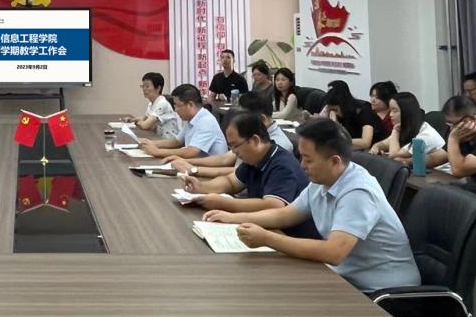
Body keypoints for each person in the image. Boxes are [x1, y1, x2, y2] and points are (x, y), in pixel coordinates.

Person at [203, 119, 421, 292]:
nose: (302, 166)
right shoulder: (322, 181)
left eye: (308, 159)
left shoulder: (358, 192)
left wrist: (267, 238)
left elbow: (333, 252)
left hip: (382, 292)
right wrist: (232, 218)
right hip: (345, 279)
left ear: (334, 161)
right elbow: (285, 215)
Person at [181, 112, 318, 238]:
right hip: (268, 229)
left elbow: (273, 205)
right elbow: (231, 182)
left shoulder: (282, 165)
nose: (233, 152)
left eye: (235, 146)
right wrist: (202, 187)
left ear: (255, 141)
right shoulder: (254, 159)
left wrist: (224, 203)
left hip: (293, 237)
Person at [165, 92, 293, 177]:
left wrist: (194, 169)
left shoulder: (279, 145)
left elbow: (239, 173)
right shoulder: (252, 134)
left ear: (262, 119)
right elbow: (225, 158)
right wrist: (185, 162)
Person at [138, 84, 227, 159]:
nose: (175, 110)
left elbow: (191, 151)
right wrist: (151, 143)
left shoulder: (206, 121)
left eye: (177, 106)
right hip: (195, 163)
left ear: (190, 104)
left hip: (211, 168)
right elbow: (177, 142)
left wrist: (158, 152)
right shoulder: (192, 118)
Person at [370, 92, 447, 168]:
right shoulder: (405, 127)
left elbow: (394, 157)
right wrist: (377, 147)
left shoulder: (425, 134)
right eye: (390, 111)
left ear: (406, 112)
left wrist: (395, 131)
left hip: (440, 173)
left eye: (395, 111)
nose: (390, 115)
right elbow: (385, 143)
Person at [323, 84, 385, 150]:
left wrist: (338, 141)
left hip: (375, 150)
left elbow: (366, 142)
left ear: (343, 104)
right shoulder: (337, 113)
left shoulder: (363, 109)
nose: (335, 113)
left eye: (335, 110)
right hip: (354, 149)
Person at [123, 72, 180, 139]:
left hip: (169, 140)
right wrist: (132, 120)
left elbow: (145, 125)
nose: (144, 89)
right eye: (143, 86)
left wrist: (137, 122)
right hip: (158, 138)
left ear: (158, 88)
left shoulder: (162, 103)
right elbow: (146, 118)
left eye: (147, 86)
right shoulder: (151, 103)